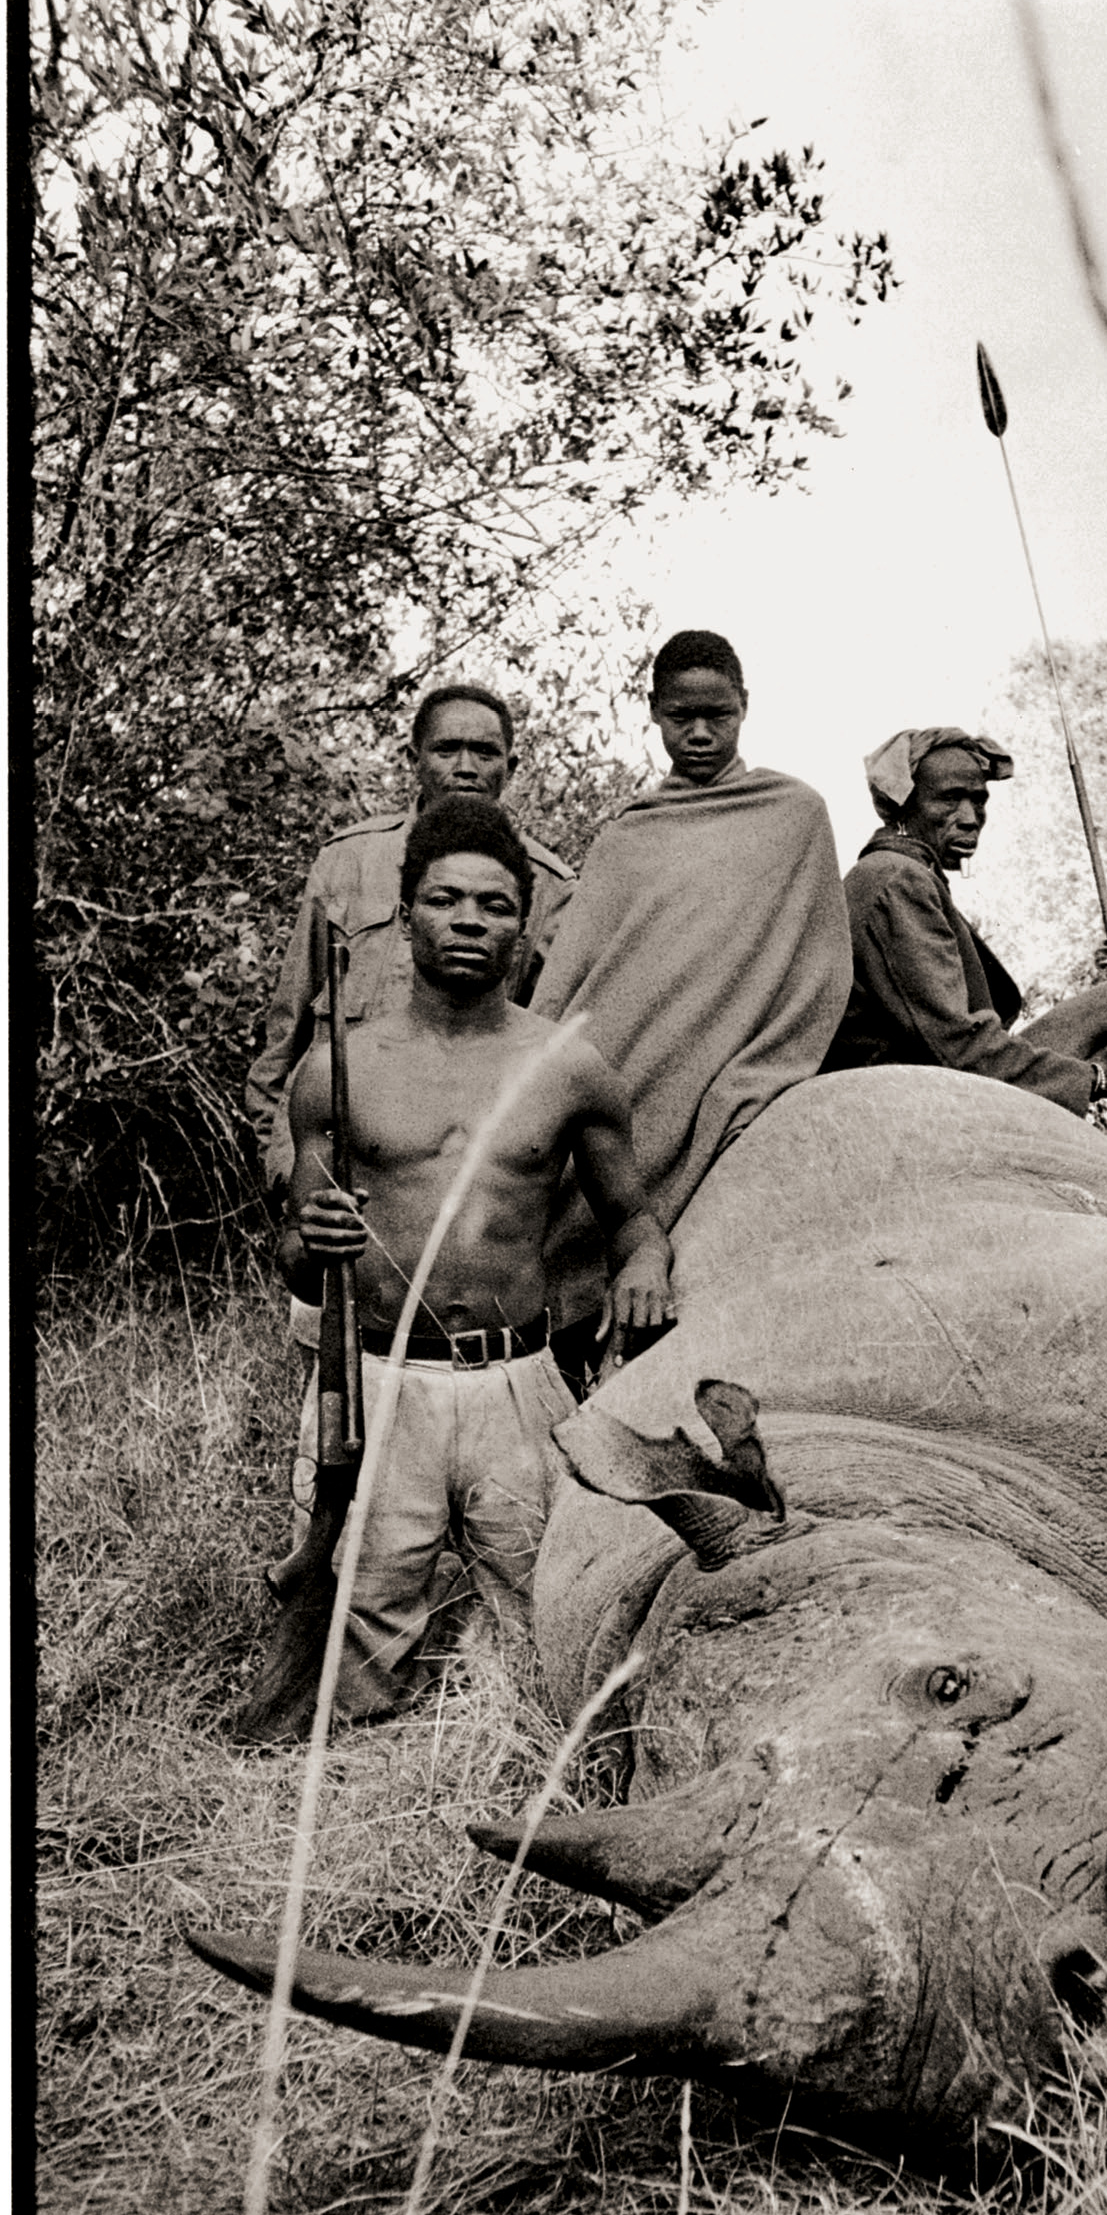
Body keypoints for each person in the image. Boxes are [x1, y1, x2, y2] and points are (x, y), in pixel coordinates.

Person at [281, 794, 674, 1719]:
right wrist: (313, 1239)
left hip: (519, 1384)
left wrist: (643, 1268)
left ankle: (534, 1793)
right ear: (407, 910)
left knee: (557, 1630)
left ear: (524, 923)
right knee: (358, 1654)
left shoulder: (569, 1066)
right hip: (376, 1384)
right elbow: (296, 1254)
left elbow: (634, 1223)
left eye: (494, 905)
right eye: (445, 899)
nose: (468, 920)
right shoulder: (341, 1066)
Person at [532, 629, 851, 1329]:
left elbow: (816, 963)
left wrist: (760, 1069)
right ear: (652, 712)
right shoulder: (627, 835)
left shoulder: (794, 815)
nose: (700, 734)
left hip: (743, 1075)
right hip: (624, 1079)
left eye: (719, 716)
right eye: (682, 718)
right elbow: (577, 981)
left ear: (745, 707)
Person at [246, 679, 576, 1194]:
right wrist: (279, 1156)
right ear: (413, 758)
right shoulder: (349, 861)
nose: (466, 767)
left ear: (511, 767)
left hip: (450, 1168)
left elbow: (548, 1044)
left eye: (486, 752)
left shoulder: (546, 886)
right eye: (447, 749)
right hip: (330, 1155)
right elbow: (289, 1023)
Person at [822, 727, 1107, 1114]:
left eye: (978, 800)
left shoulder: (905, 873)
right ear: (903, 805)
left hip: (942, 1079)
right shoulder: (896, 879)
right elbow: (958, 1046)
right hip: (915, 1101)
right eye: (950, 799)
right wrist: (1096, 1077)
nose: (970, 818)